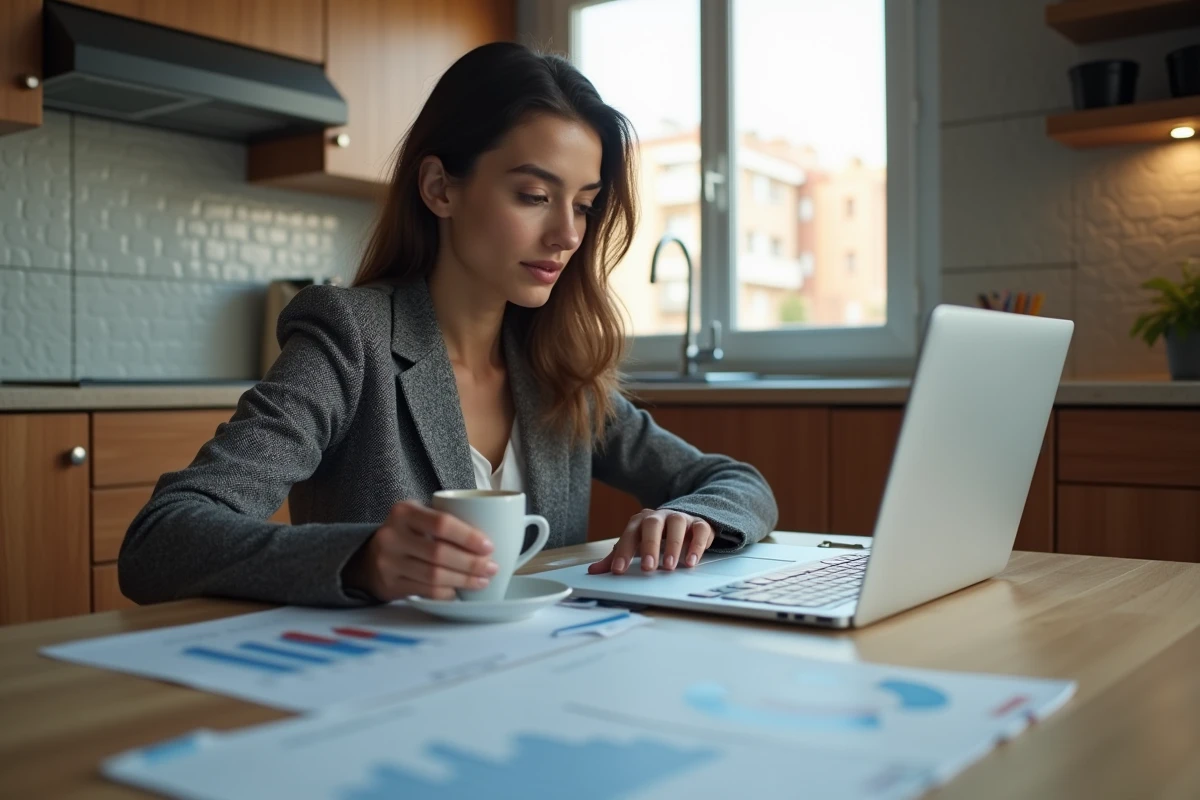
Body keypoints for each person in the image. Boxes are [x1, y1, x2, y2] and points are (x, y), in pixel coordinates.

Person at [118, 42, 777, 608]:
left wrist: (691, 517)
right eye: (535, 196)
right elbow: (162, 539)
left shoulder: (559, 372)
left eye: (583, 204)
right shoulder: (352, 339)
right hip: (378, 693)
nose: (568, 234)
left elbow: (740, 484)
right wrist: (363, 560)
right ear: (440, 188)